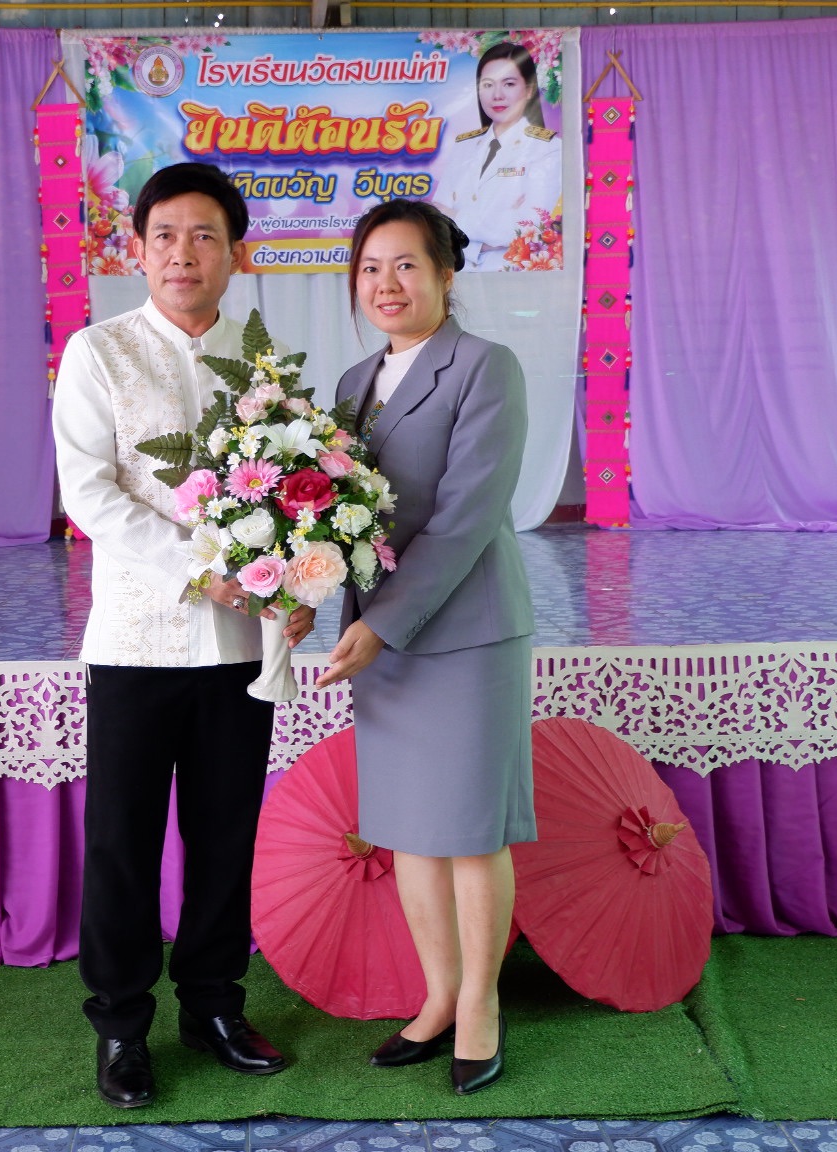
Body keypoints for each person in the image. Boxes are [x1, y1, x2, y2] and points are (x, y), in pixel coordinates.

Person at [52, 162, 316, 1110]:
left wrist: (303, 576)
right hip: (137, 640)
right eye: (164, 236)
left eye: (205, 236)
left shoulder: (264, 364)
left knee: (224, 835)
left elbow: (300, 493)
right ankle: (122, 1024)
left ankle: (213, 1006)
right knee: (122, 842)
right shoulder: (99, 352)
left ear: (236, 254)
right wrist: (197, 570)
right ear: (138, 250)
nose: (183, 254)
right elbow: (89, 493)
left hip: (241, 646)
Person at [317, 199, 536, 1096]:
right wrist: (298, 591)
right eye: (371, 268)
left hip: (465, 630)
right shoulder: (351, 384)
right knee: (410, 827)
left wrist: (382, 624)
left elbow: (466, 518)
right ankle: (438, 996)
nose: (387, 284)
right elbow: (332, 518)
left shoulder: (486, 367)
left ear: (446, 275)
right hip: (383, 637)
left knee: (470, 831)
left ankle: (481, 1004)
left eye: (407, 265)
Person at [430, 41, 561, 271]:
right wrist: (487, 237)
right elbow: (438, 223)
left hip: (512, 276)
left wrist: (456, 217)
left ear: (529, 90)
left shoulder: (548, 149)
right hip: (459, 275)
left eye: (508, 84)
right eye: (488, 85)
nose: (497, 95)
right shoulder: (463, 147)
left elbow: (527, 228)